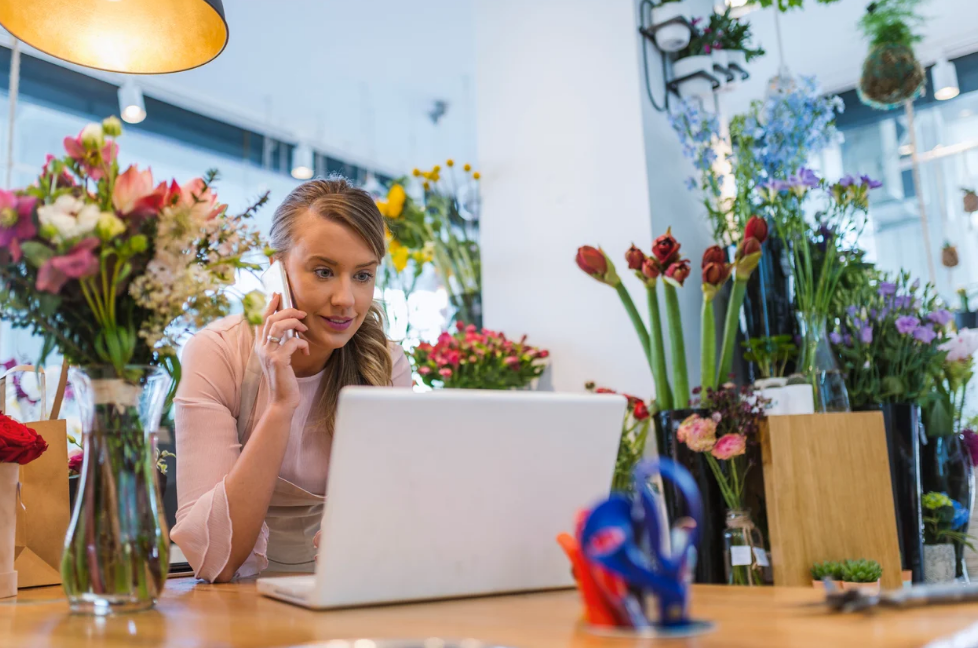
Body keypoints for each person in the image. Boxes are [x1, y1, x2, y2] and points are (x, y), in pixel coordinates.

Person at [170, 177, 412, 583]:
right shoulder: (217, 353)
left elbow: (401, 517)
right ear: (276, 272)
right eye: (323, 271)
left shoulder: (383, 362)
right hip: (235, 607)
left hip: (343, 594)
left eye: (362, 275)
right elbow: (213, 560)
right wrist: (281, 407)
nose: (345, 300)